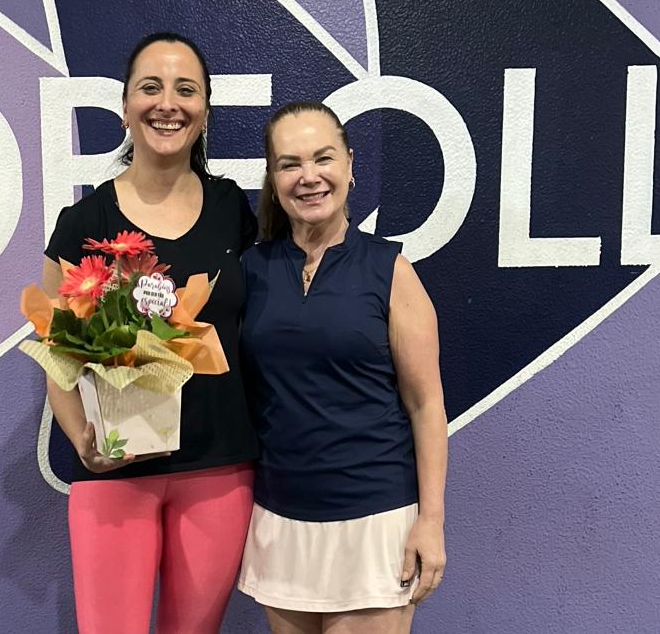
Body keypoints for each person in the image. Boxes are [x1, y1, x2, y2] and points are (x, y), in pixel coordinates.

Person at [42, 32, 258, 634]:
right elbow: (58, 355)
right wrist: (82, 439)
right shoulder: (84, 222)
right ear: (125, 107)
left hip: (219, 470)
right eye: (151, 88)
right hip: (116, 469)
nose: (168, 104)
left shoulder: (233, 210)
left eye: (186, 90)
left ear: (205, 111)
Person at [238, 101, 448, 634]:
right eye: (290, 164)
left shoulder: (390, 270)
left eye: (323, 158)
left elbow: (426, 406)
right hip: (280, 521)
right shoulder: (251, 269)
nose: (308, 176)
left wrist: (431, 520)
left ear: (350, 165)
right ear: (273, 179)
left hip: (374, 524)